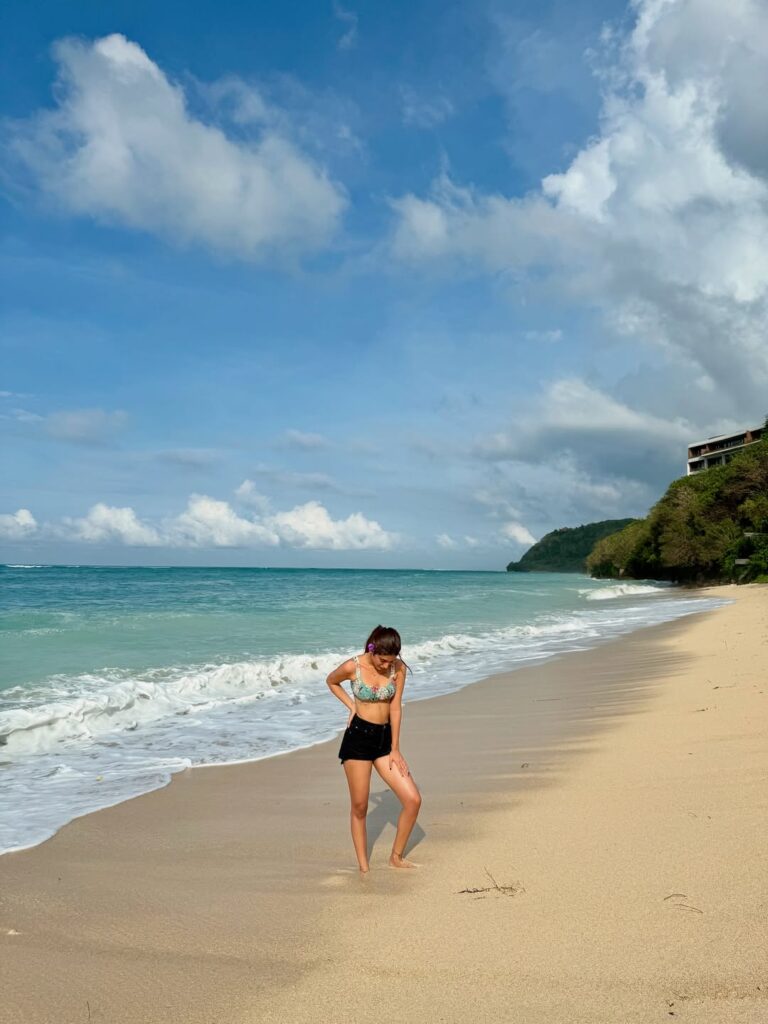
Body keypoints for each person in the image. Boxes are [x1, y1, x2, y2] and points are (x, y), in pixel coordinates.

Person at [326, 624, 422, 873]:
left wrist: (396, 748)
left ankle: (396, 857)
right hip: (357, 740)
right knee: (360, 806)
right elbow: (331, 681)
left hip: (384, 742)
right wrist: (351, 706)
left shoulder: (397, 668)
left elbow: (395, 708)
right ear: (373, 649)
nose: (386, 665)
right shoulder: (353, 666)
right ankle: (364, 867)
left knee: (413, 799)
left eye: (391, 660)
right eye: (382, 660)